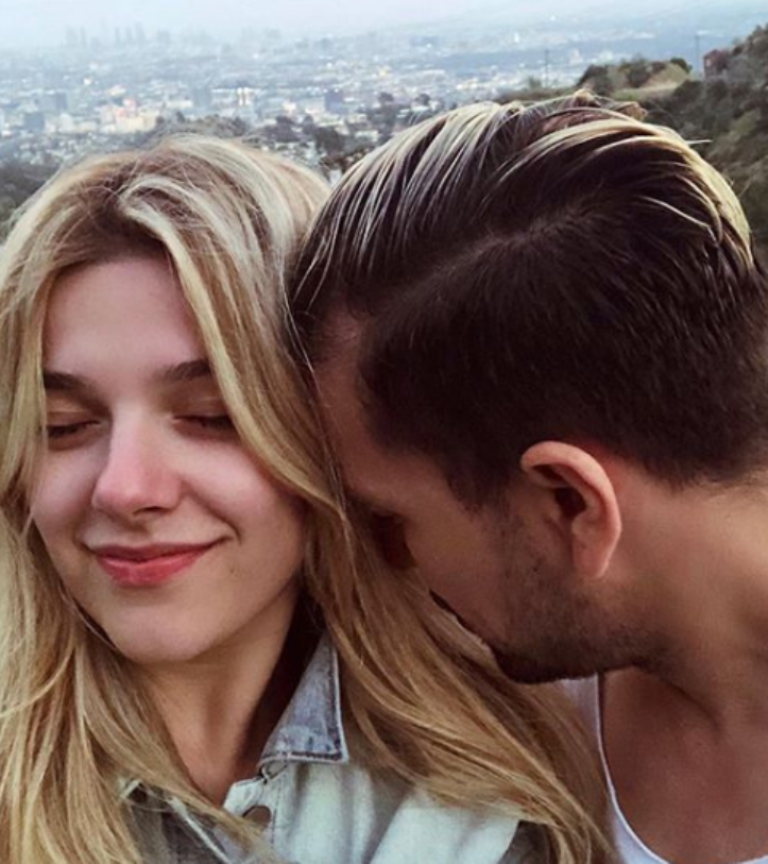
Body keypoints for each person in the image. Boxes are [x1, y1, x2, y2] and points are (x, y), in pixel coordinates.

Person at [0, 134, 607, 864]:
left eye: (213, 416)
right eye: (63, 426)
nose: (125, 488)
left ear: (329, 437)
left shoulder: (496, 780)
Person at [290, 91, 768, 864]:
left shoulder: (541, 689)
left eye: (393, 523)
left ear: (570, 504)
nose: (386, 566)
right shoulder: (509, 720)